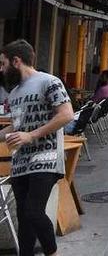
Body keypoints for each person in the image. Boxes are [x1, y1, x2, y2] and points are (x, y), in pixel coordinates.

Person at [0, 40, 74, 256]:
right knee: (24, 218)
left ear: (16, 61)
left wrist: (30, 136)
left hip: (46, 158)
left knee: (33, 212)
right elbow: (17, 126)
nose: (1, 69)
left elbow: (66, 115)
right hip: (21, 163)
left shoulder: (49, 82)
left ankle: (52, 253)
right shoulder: (13, 93)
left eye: (3, 64)